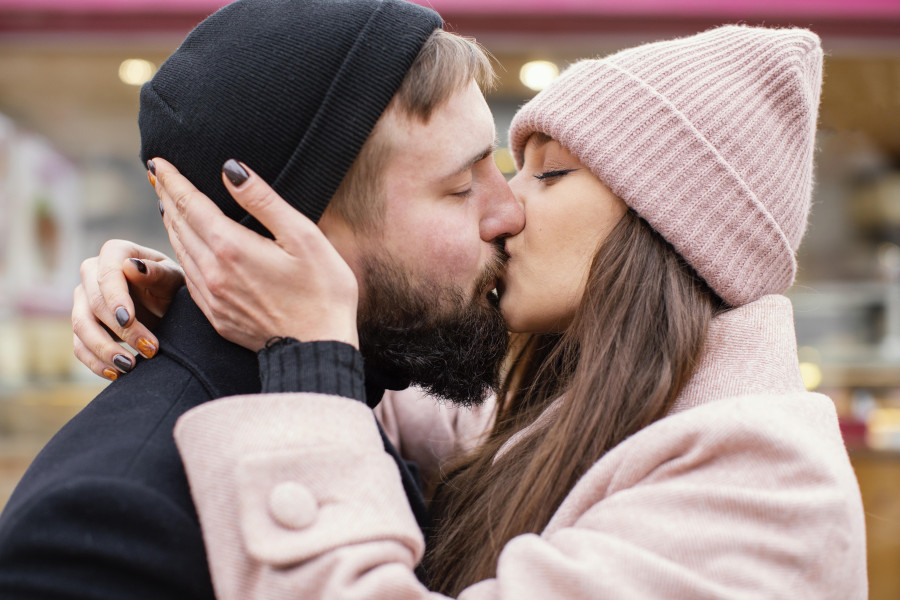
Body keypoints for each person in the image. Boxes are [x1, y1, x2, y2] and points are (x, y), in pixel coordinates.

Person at [73, 25, 868, 598]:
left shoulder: (765, 489)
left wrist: (302, 346)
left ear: (668, 226)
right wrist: (208, 286)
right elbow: (401, 367)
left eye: (547, 176)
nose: (507, 210)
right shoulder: (571, 406)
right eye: (477, 179)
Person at [0, 0, 527, 597]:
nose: (511, 212)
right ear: (289, 233)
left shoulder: (353, 394)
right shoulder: (99, 526)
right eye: (461, 187)